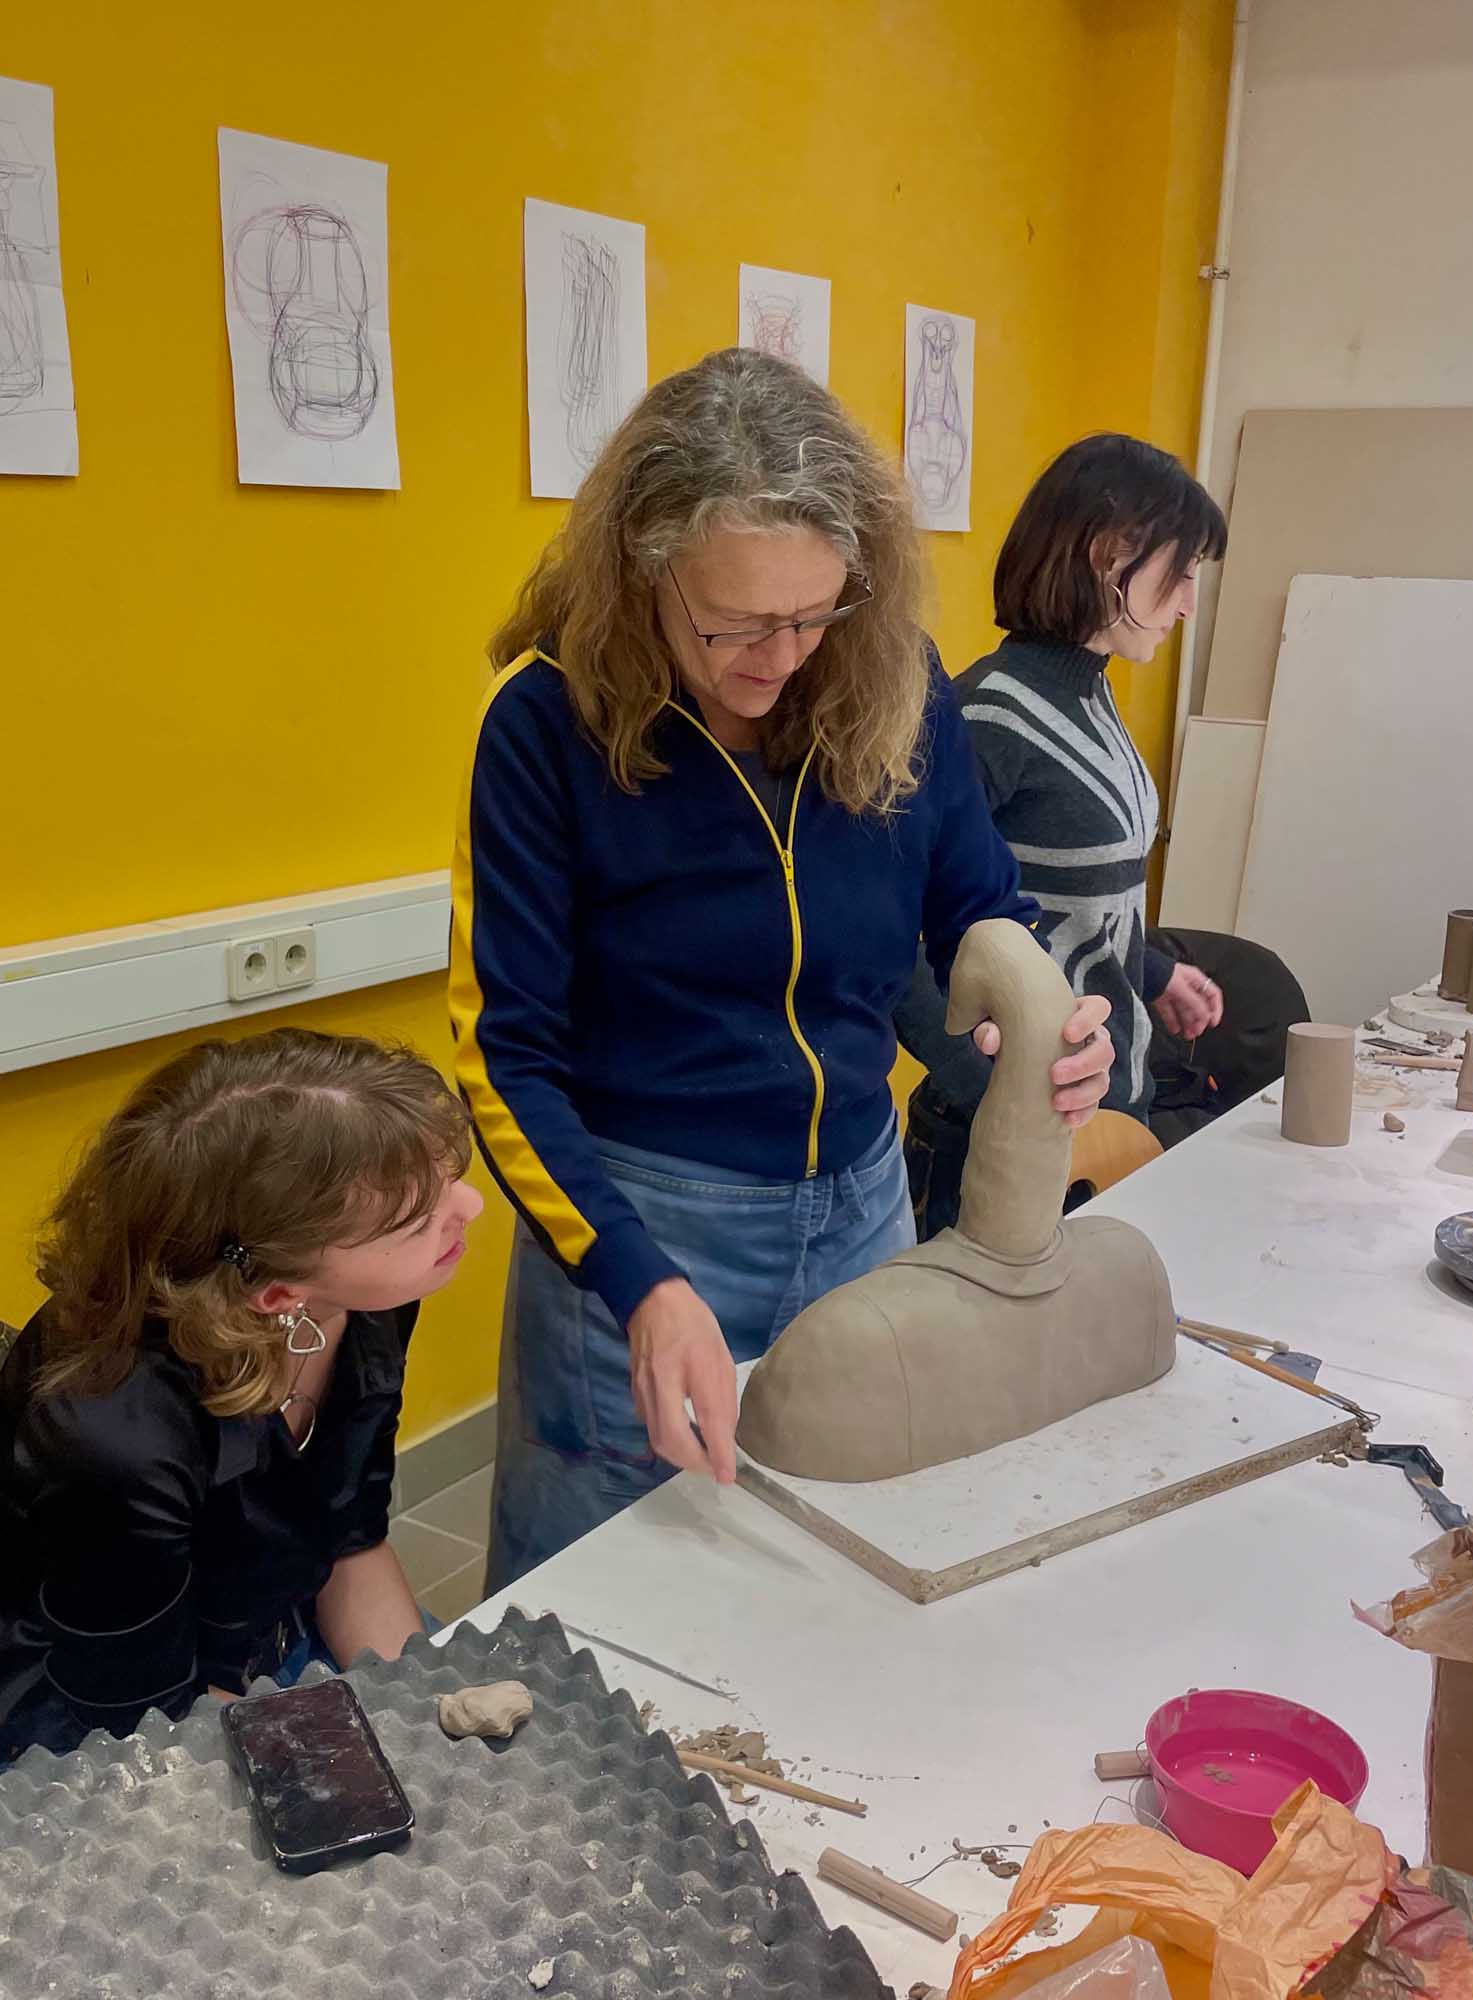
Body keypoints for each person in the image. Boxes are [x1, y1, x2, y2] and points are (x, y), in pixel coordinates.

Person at [451, 348, 1115, 1593]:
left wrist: (1052, 1022)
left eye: (813, 615)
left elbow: (975, 902)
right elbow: (504, 1055)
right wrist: (635, 1280)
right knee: (606, 1602)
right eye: (735, 623)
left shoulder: (893, 677)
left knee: (835, 1586)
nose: (780, 656)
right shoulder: (544, 724)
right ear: (643, 569)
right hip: (641, 1222)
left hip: (860, 1207)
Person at [0, 1028, 482, 1763]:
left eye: (450, 1180)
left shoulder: (359, 1301)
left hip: (254, 1626)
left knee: (455, 1747)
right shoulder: (113, 1430)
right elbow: (146, 1716)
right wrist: (346, 1756)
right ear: (278, 1294)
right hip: (101, 1711)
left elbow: (350, 1537)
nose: (472, 1204)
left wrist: (418, 1713)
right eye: (420, 1219)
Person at [896, 434, 1305, 1234]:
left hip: (1111, 1113)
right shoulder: (989, 716)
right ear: (1108, 554)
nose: (1189, 604)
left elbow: (1061, 896)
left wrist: (1152, 972)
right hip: (1008, 1140)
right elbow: (893, 942)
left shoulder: (1093, 698)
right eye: (1180, 573)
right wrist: (1004, 1093)